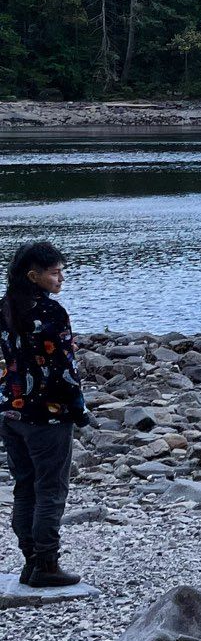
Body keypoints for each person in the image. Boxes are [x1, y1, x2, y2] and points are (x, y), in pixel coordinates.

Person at [2, 240, 88, 588]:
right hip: (48, 416)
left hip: (11, 412)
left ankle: (30, 560)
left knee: (25, 489)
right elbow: (65, 368)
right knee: (51, 489)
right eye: (55, 273)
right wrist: (79, 410)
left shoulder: (4, 307)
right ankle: (47, 564)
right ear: (33, 275)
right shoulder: (52, 313)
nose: (61, 279)